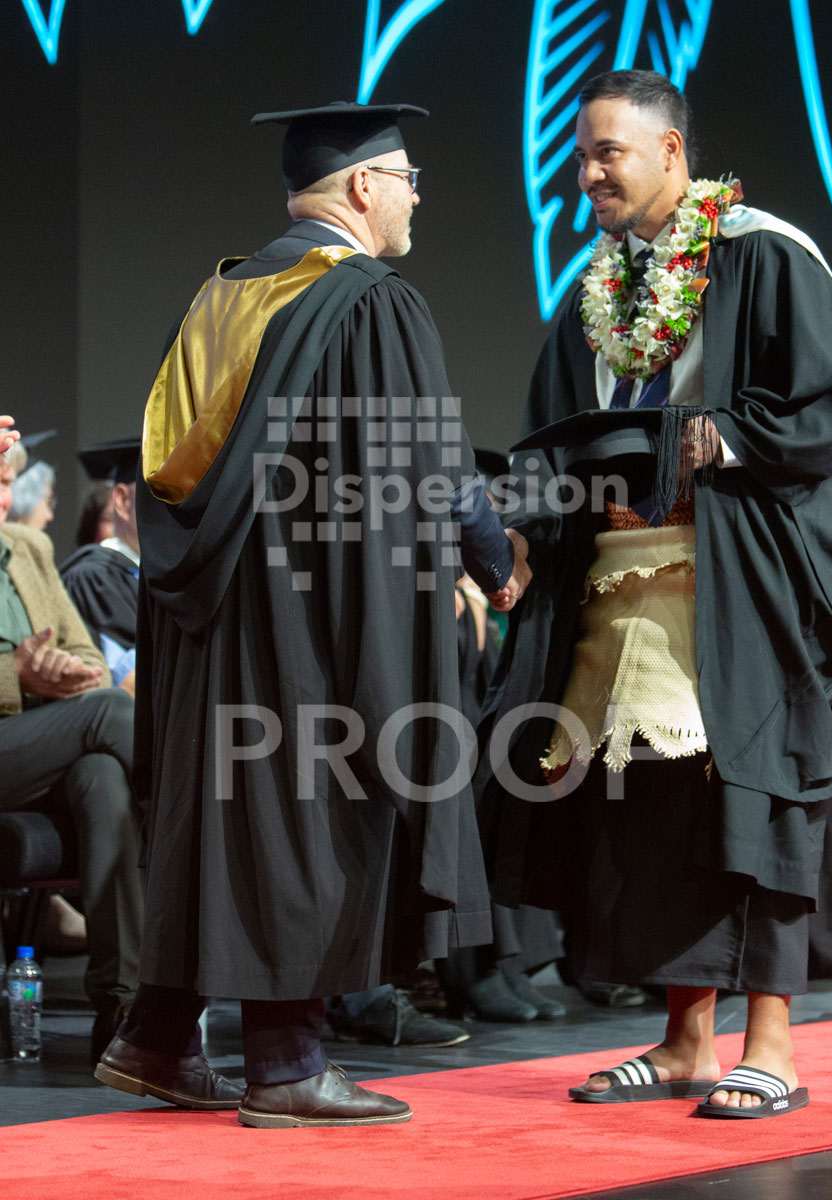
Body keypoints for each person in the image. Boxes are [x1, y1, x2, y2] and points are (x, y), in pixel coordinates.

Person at [96, 100, 530, 1128]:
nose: (417, 199)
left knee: (219, 825)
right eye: (410, 180)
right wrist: (493, 556)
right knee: (306, 817)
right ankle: (287, 1063)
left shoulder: (218, 297)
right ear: (364, 186)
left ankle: (156, 1040)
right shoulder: (366, 301)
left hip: (208, 622)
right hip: (305, 619)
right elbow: (429, 460)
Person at [478, 69, 832, 1119]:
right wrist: (528, 522)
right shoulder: (601, 286)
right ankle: (682, 1041)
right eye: (580, 155)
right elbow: (551, 429)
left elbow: (826, 408)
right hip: (630, 592)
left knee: (758, 804)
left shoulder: (765, 253)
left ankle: (773, 1045)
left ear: (670, 151)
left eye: (606, 152)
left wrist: (717, 442)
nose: (587, 174)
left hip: (747, 584)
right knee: (656, 810)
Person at [0, 441, 142, 1060]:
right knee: (109, 712)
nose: (4, 499)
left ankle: (123, 1010)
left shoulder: (27, 548)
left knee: (101, 773)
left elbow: (88, 658)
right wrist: (16, 675)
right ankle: (212, 819)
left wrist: (63, 671)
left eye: (7, 484)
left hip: (39, 745)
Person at [61, 441, 141, 697]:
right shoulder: (94, 578)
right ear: (122, 501)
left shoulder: (157, 578)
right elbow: (126, 685)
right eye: (161, 491)